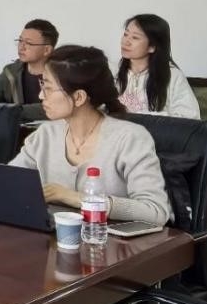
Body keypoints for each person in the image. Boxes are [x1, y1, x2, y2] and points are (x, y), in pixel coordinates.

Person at [10, 45, 171, 225]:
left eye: (47, 87)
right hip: (53, 237)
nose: (41, 95)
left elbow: (156, 211)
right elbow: (9, 183)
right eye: (42, 84)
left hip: (109, 240)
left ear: (79, 97)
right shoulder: (45, 134)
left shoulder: (130, 138)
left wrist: (76, 198)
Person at [0, 19, 59, 121]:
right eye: (20, 41)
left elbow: (53, 108)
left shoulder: (61, 76)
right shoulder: (11, 72)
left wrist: (12, 111)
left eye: (29, 43)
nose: (21, 47)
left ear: (47, 50)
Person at [116, 14, 200, 119]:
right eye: (125, 34)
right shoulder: (113, 71)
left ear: (152, 46)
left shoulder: (172, 76)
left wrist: (139, 117)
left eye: (135, 37)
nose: (126, 41)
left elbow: (190, 117)